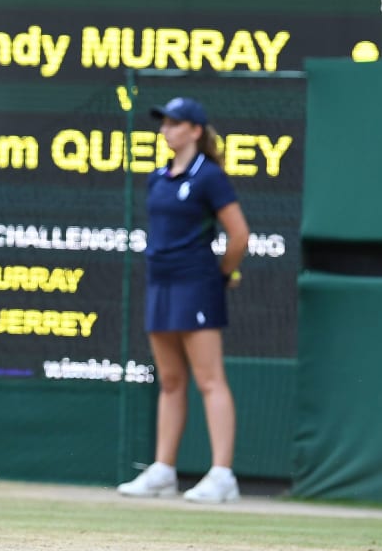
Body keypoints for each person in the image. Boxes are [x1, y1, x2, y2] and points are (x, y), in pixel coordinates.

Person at [117, 97, 249, 504]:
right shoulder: (157, 177)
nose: (166, 130)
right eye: (164, 124)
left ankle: (222, 474)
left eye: (175, 123)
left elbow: (239, 236)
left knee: (210, 380)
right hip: (160, 283)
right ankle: (163, 471)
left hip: (197, 284)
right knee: (171, 381)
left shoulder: (210, 177)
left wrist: (223, 274)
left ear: (195, 130)